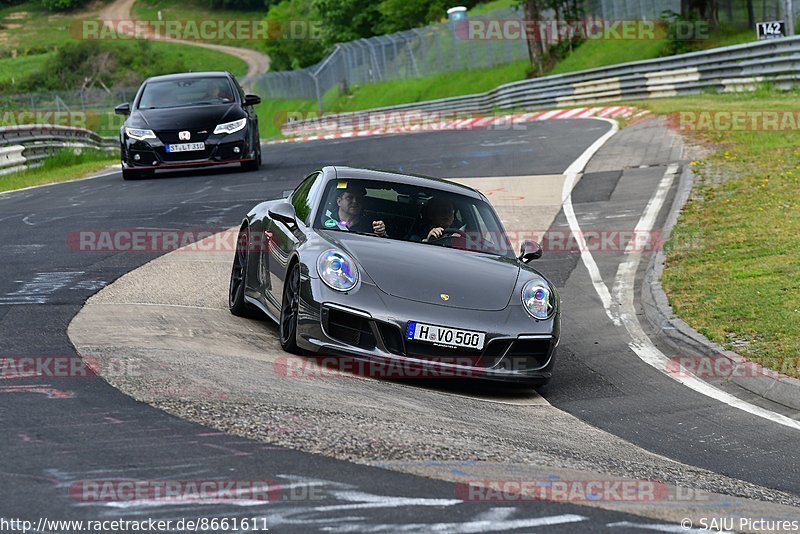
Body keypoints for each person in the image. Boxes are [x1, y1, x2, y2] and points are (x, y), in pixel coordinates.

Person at [323, 185, 387, 236]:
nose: (355, 201)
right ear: (339, 201)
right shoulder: (324, 220)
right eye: (349, 198)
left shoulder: (370, 225)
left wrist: (382, 233)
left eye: (358, 198)